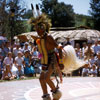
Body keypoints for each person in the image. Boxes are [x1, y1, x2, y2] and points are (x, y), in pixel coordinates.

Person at [29, 5, 64, 100]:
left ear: (43, 28)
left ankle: (56, 93)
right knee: (41, 79)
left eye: (38, 29)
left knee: (46, 78)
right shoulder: (40, 38)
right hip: (45, 60)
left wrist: (60, 62)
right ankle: (46, 96)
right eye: (36, 29)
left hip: (52, 59)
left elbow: (59, 48)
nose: (37, 31)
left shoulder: (48, 37)